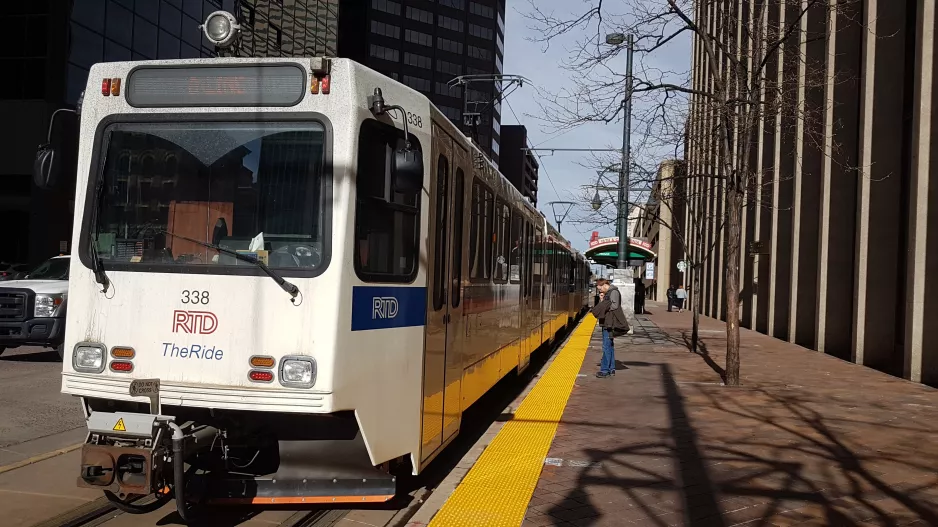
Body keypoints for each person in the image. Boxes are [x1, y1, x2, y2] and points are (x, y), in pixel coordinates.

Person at [589, 279, 629, 378]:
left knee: (606, 346)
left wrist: (603, 305)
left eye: (601, 288)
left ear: (605, 285)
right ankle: (611, 369)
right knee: (609, 346)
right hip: (607, 322)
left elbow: (614, 306)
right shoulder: (609, 293)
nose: (601, 291)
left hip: (610, 323)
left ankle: (605, 370)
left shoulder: (614, 292)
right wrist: (602, 300)